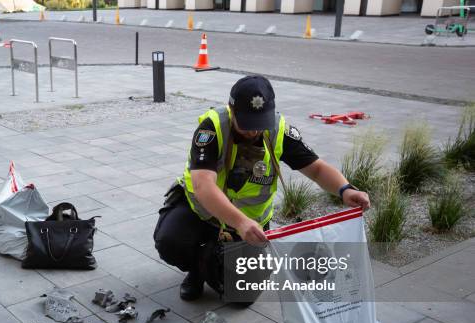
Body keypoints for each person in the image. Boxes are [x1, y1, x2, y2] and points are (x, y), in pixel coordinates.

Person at [153, 75, 370, 301]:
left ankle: (215, 262)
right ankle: (197, 269)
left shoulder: (279, 130)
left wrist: (345, 189)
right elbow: (202, 184)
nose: (253, 132)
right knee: (170, 242)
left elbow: (316, 169)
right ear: (231, 110)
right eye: (246, 124)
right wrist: (239, 222)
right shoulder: (212, 128)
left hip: (251, 225)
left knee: (241, 297)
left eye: (259, 124)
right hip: (203, 214)